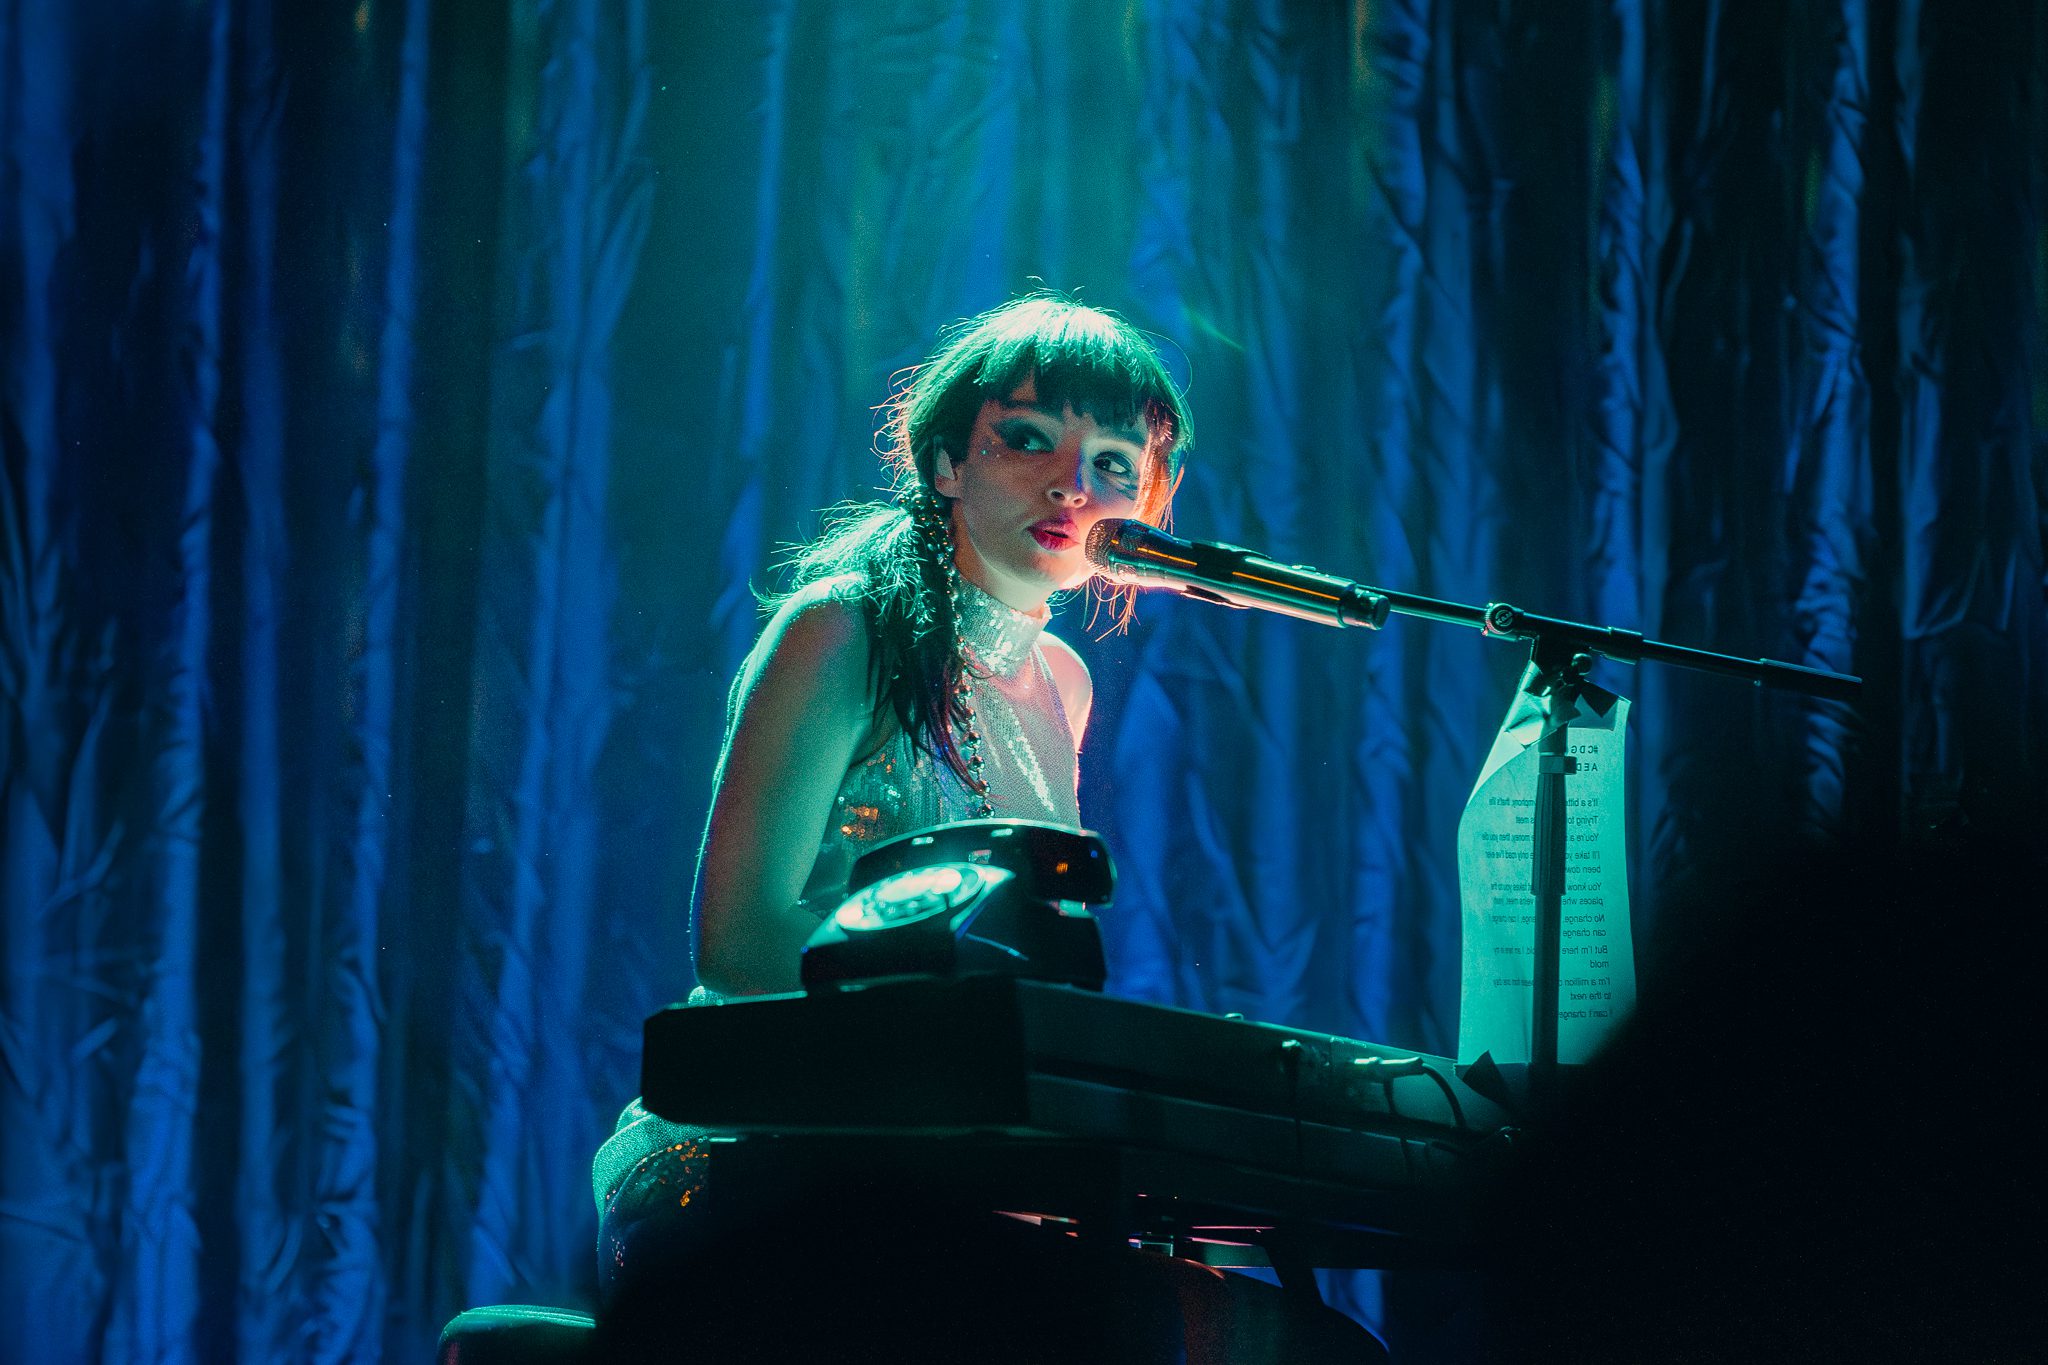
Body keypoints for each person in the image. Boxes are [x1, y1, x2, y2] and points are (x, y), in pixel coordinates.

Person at [589, 295, 1213, 1361]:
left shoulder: (1059, 682)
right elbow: (738, 945)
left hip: (946, 1161)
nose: (1072, 483)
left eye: (1113, 463)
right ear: (942, 465)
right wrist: (965, 1026)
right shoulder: (840, 629)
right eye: (1026, 439)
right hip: (756, 1157)